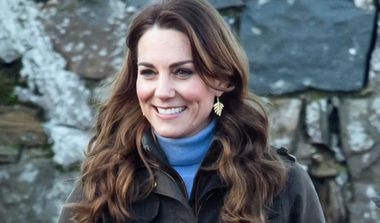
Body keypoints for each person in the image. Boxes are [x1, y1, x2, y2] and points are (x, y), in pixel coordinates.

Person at [58, 0, 326, 222]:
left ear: (222, 80)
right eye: (148, 72)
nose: (162, 91)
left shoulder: (284, 182)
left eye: (183, 72)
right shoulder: (103, 181)